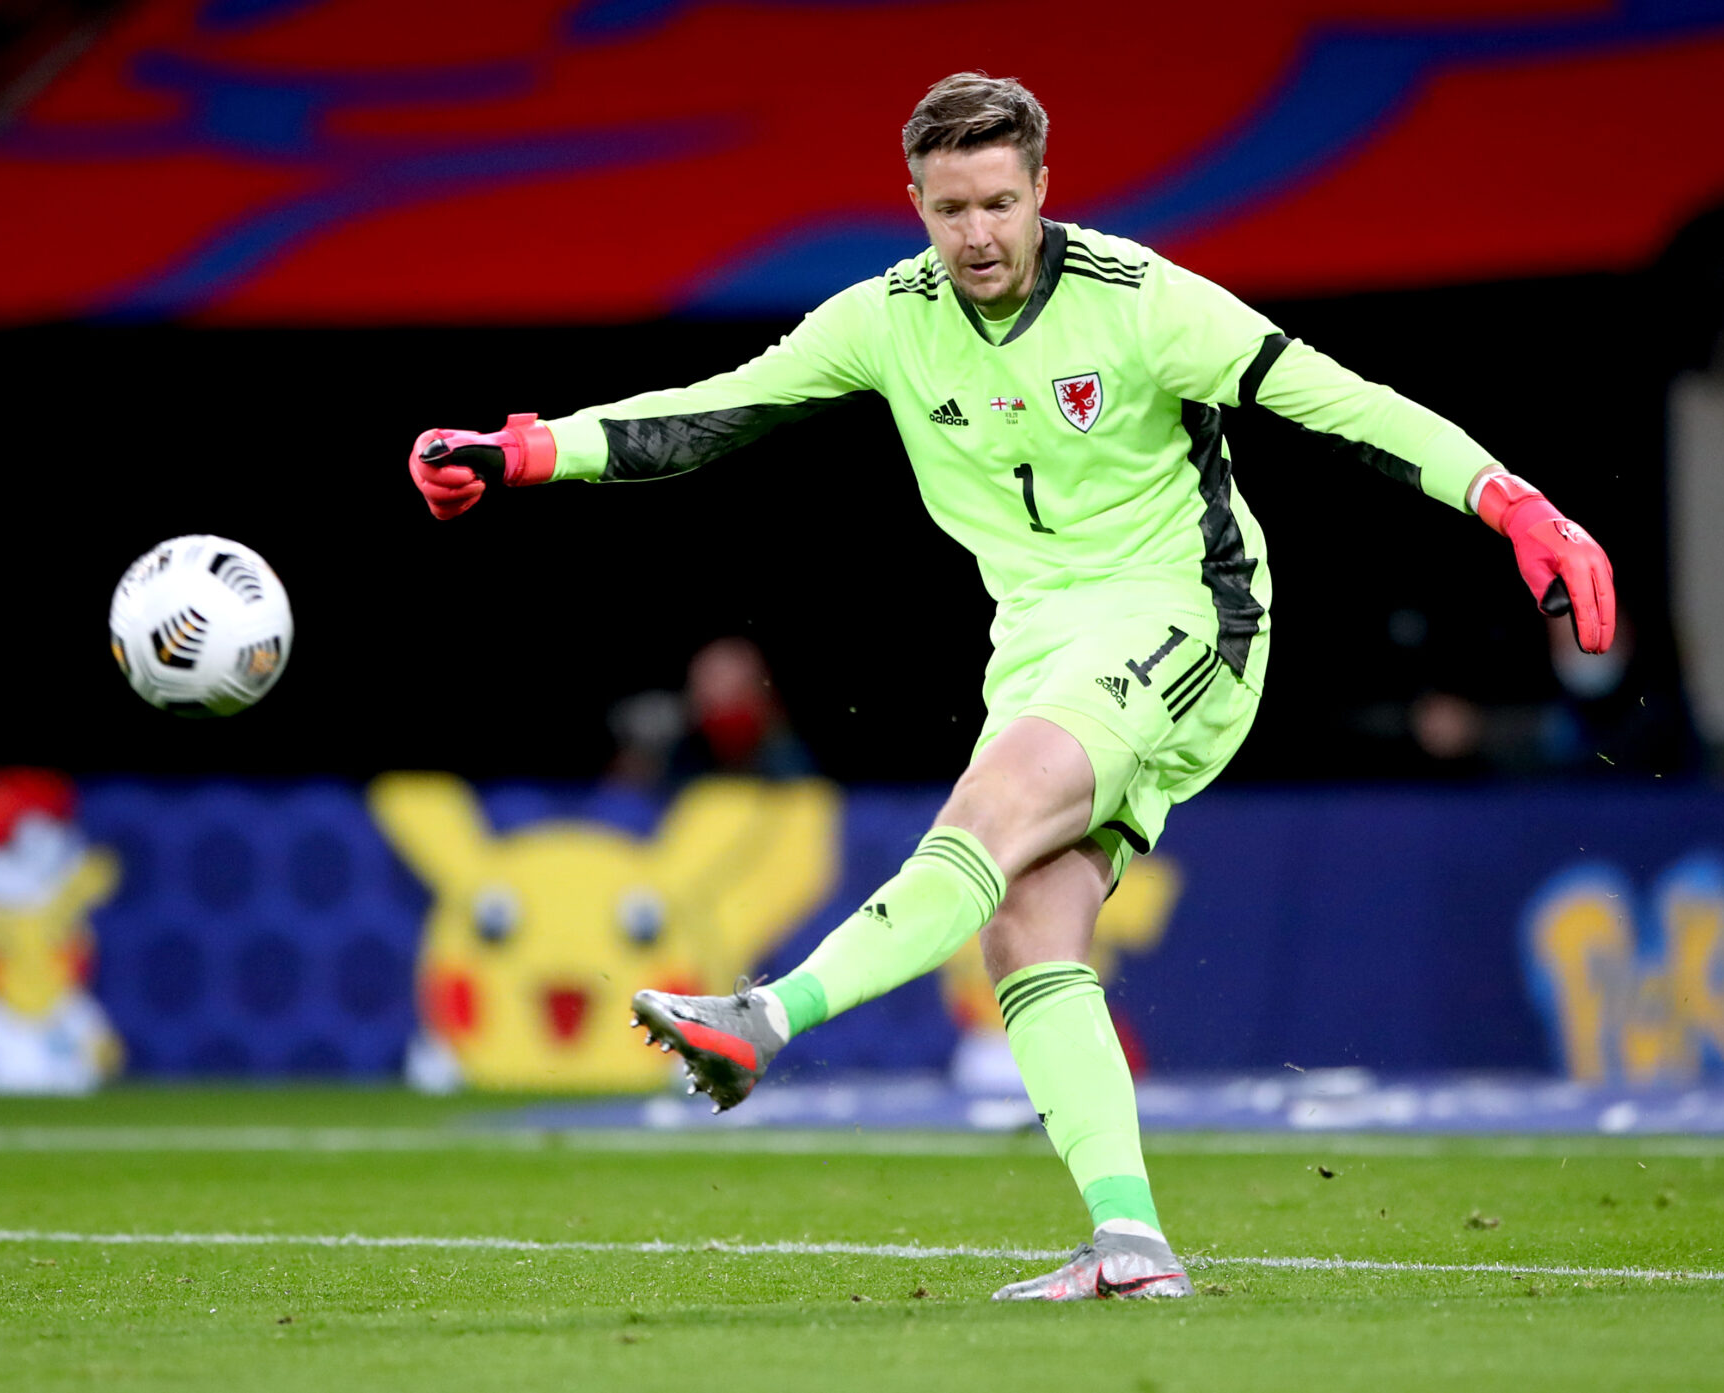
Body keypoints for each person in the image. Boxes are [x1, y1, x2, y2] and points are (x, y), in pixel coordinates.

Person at [407, 72, 1616, 1301]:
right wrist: (528, 451)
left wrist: (1514, 506)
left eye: (998, 202)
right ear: (916, 204)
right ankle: (1130, 1242)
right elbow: (711, 412)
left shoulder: (1141, 302)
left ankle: (764, 1019)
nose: (976, 234)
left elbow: (1344, 404)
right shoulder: (888, 318)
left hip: (1185, 612)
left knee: (985, 815)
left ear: (1042, 189)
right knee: (1024, 926)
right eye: (950, 209)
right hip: (1037, 644)